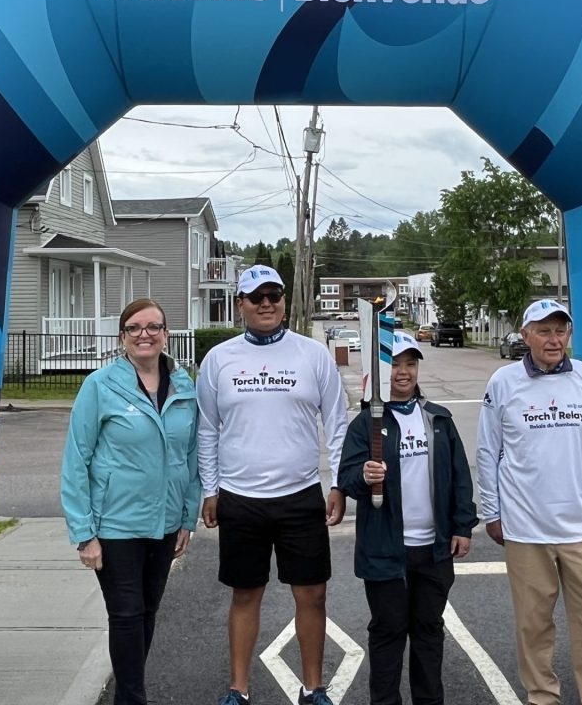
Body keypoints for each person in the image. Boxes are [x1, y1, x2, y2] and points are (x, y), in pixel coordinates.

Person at [197, 265, 348, 705]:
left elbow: (337, 424)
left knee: (313, 595)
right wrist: (211, 489)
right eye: (256, 296)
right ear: (240, 304)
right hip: (240, 497)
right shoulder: (220, 359)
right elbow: (207, 430)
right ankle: (238, 689)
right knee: (245, 594)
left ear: (284, 301)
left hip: (300, 495)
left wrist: (338, 483)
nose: (266, 303)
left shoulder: (312, 355)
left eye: (274, 295)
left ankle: (313, 687)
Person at [476, 299, 582, 705]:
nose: (553, 339)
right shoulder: (503, 383)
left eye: (560, 330)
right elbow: (488, 452)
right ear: (524, 336)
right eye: (543, 331)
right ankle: (543, 697)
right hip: (526, 530)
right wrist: (492, 511)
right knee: (534, 627)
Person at [61, 298, 200, 705]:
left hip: (164, 522)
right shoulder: (100, 386)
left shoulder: (184, 385)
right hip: (115, 525)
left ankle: (128, 693)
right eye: (135, 328)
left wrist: (186, 518)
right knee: (125, 615)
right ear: (122, 337)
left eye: (153, 327)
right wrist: (84, 534)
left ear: (166, 334)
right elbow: (76, 461)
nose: (145, 334)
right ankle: (132, 699)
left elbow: (190, 456)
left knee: (146, 613)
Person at [338, 331, 478, 705]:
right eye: (395, 364)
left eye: (410, 364)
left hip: (433, 551)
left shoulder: (438, 419)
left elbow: (459, 477)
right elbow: (346, 478)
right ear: (383, 372)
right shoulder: (366, 423)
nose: (403, 372)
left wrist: (463, 526)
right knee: (388, 633)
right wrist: (364, 477)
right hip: (385, 551)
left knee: (429, 632)